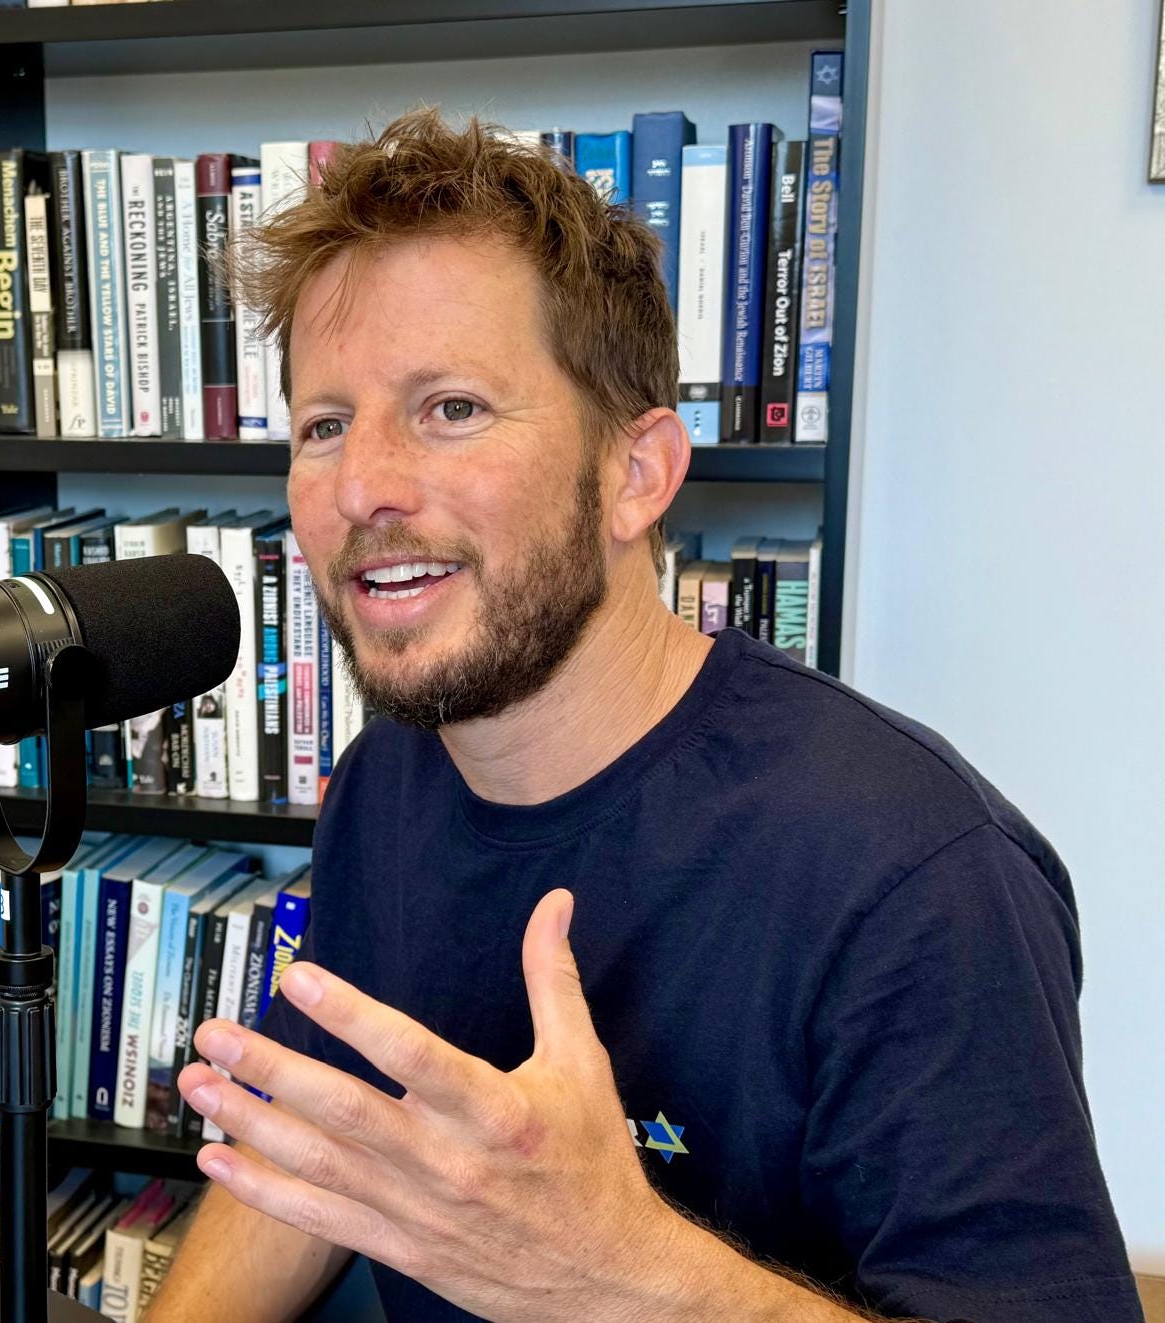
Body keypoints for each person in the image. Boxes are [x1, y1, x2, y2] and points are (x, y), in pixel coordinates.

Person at [146, 108, 1142, 1322]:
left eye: (451, 408)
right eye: (324, 426)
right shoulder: (385, 777)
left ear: (636, 474)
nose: (363, 488)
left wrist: (626, 1274)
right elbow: (313, 1136)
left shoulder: (909, 870)